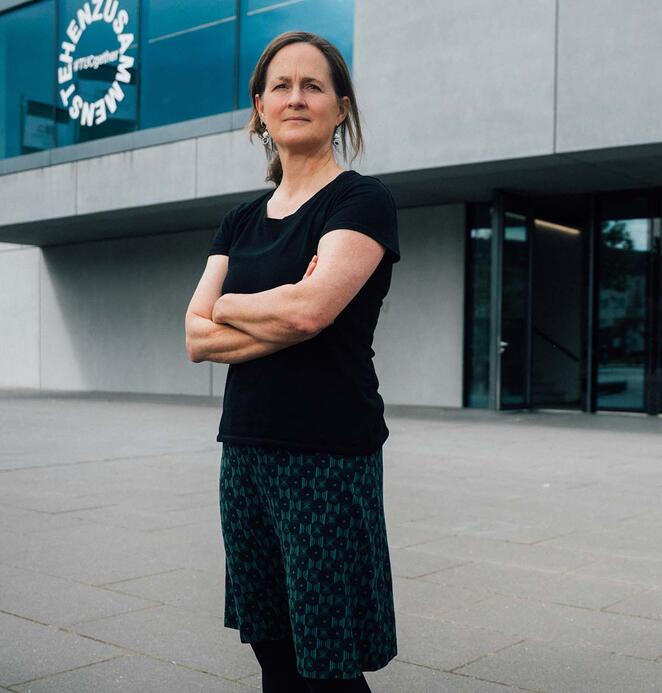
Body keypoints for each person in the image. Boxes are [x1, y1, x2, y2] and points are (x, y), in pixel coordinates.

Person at [183, 31, 398, 693]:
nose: (295, 97)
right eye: (281, 85)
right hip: (244, 450)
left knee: (328, 661)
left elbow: (310, 313)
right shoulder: (240, 220)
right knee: (270, 647)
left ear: (340, 107)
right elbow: (194, 334)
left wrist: (241, 306)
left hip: (327, 454)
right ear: (260, 107)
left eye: (312, 85)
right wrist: (281, 302)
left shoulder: (359, 202)